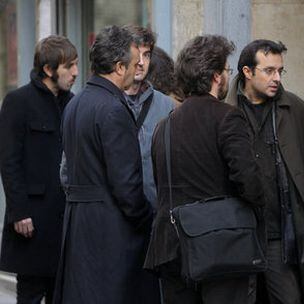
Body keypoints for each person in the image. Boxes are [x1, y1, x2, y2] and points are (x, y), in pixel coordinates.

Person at [144, 35, 265, 304]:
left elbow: (158, 182)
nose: (226, 75)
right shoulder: (227, 117)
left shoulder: (164, 126)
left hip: (171, 247)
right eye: (226, 70)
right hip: (219, 245)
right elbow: (249, 181)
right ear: (216, 77)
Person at [53, 25, 152, 304]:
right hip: (110, 231)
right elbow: (127, 188)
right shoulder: (112, 109)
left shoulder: (76, 103)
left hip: (79, 225)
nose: (138, 68)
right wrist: (148, 217)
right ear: (119, 67)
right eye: (134, 63)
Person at [225, 39, 304, 304]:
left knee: (289, 298)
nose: (276, 78)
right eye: (269, 70)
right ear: (247, 72)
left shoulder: (296, 109)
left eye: (280, 71)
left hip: (280, 231)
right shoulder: (225, 111)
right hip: (238, 229)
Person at [0, 35, 78, 304]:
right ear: (49, 69)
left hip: (65, 221)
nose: (76, 72)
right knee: (31, 295)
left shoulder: (73, 103)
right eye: (70, 66)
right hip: (31, 222)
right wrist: (19, 212)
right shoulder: (17, 102)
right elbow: (9, 162)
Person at [123, 25, 175, 304]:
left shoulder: (165, 106)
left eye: (147, 54)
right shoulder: (103, 100)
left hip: (155, 222)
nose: (142, 61)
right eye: (136, 54)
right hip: (116, 224)